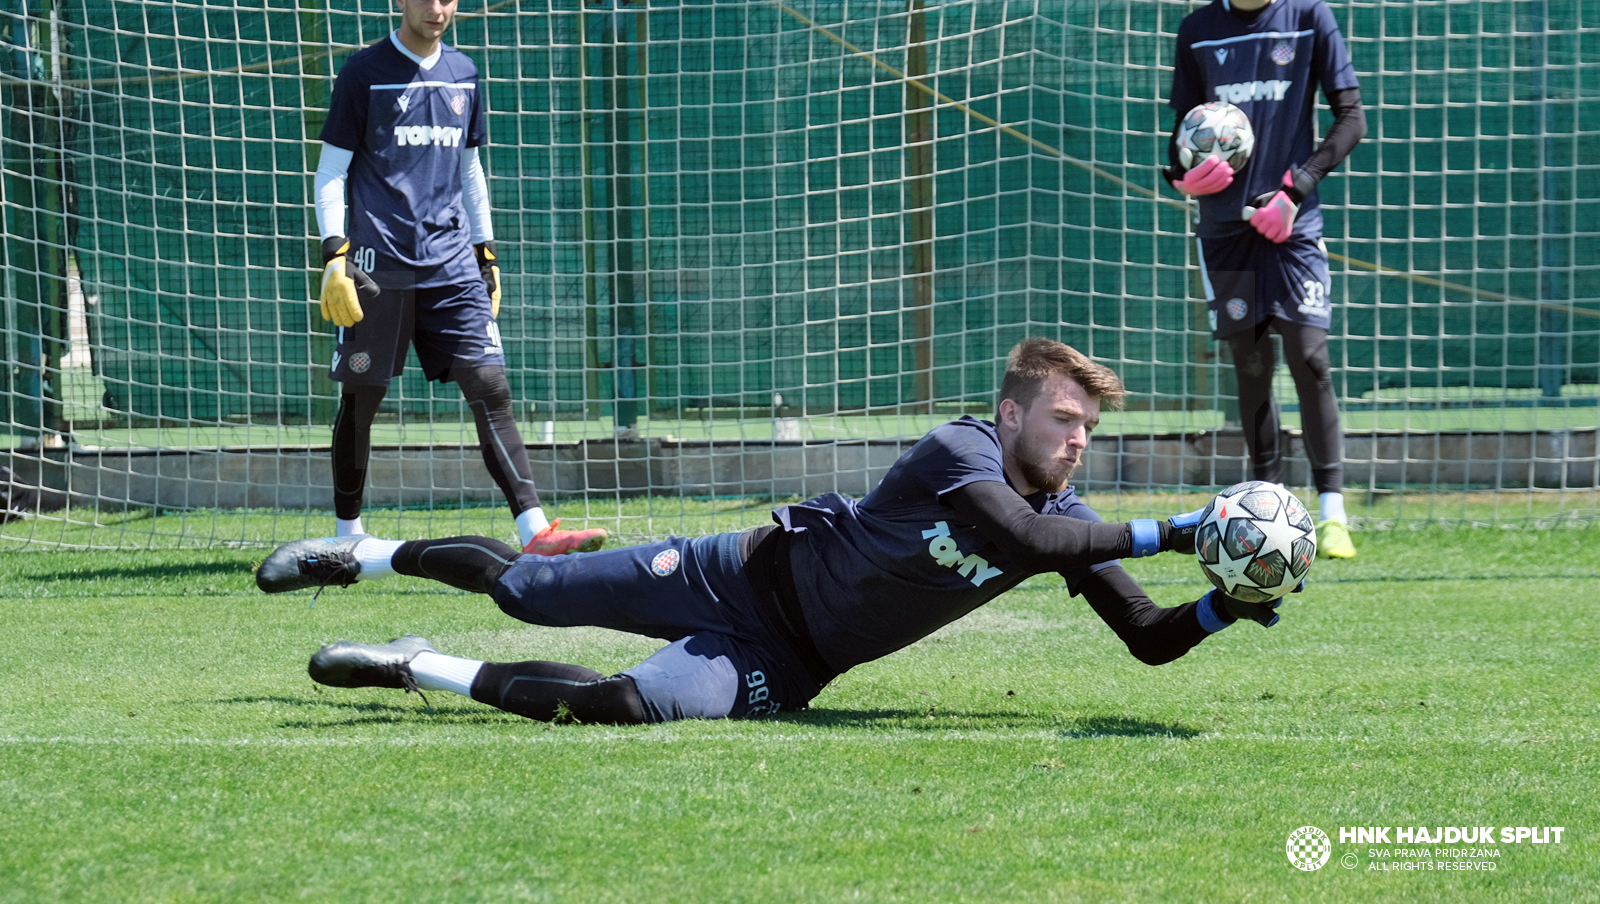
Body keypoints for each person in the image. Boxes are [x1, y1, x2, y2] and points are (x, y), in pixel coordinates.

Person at [255, 338, 1291, 725]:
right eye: (1063, 418)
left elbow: (1149, 638)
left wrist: (1221, 599)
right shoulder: (958, 453)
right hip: (732, 576)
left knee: (630, 704)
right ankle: (367, 553)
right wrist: (1180, 523)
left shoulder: (1069, 518)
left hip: (788, 663)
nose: (1076, 441)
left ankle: (419, 666)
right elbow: (1022, 537)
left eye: (1088, 428)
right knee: (525, 586)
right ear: (1013, 410)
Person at [312, 0, 604, 555]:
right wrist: (334, 254)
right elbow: (331, 172)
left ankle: (535, 532)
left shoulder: (466, 74)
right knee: (361, 401)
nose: (435, 8)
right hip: (376, 269)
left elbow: (470, 171)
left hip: (451, 265)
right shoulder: (363, 72)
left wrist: (485, 251)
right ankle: (347, 539)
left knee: (491, 387)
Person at [1165, 0, 1367, 559]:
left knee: (1309, 359)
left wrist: (1295, 189)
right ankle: (1270, 506)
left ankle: (1333, 511)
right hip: (1224, 231)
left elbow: (1351, 121)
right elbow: (1180, 137)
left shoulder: (1308, 19)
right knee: (1251, 367)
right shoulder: (1197, 30)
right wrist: (1182, 177)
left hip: (1292, 223)